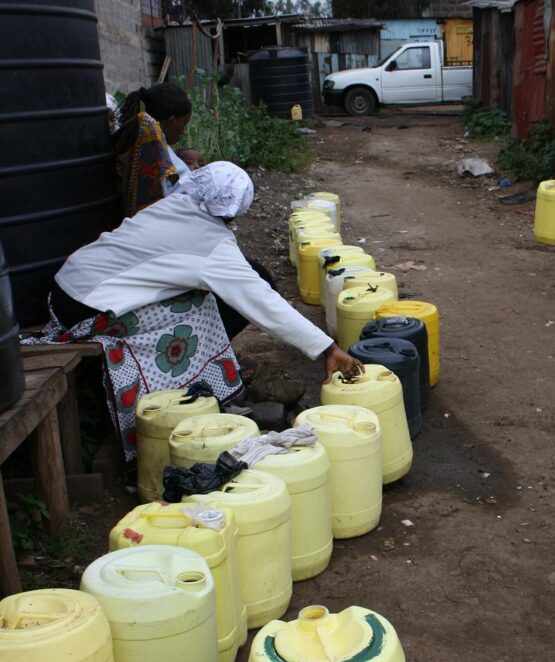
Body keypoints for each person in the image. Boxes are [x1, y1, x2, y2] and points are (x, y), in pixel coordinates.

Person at [27, 162, 362, 460]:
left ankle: (201, 366)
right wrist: (326, 348)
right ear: (235, 211)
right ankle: (187, 379)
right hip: (88, 311)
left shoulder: (173, 205)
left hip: (65, 291)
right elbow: (264, 303)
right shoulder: (213, 246)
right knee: (204, 309)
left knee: (226, 285)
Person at [113, 83, 193, 217]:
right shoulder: (160, 160)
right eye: (184, 124)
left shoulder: (138, 148)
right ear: (171, 121)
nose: (184, 131)